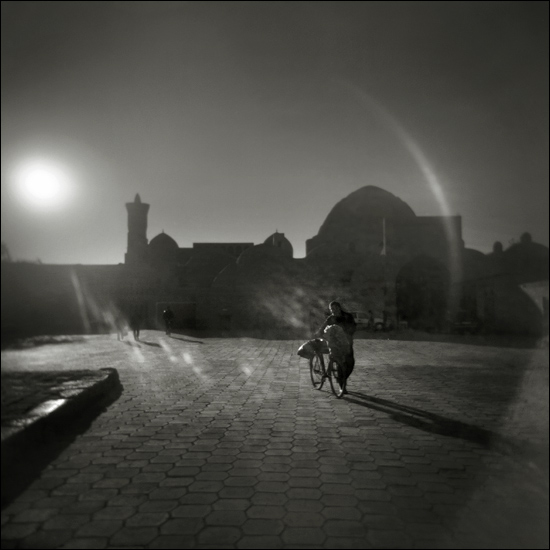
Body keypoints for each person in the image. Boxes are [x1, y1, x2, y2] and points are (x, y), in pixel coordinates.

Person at [316, 301, 356, 390]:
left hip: (347, 343)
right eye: (331, 309)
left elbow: (353, 327)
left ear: (339, 308)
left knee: (350, 363)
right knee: (340, 363)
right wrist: (319, 333)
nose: (333, 310)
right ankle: (342, 385)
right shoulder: (331, 318)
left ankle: (342, 379)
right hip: (336, 344)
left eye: (335, 308)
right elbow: (323, 327)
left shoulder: (347, 316)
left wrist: (346, 334)